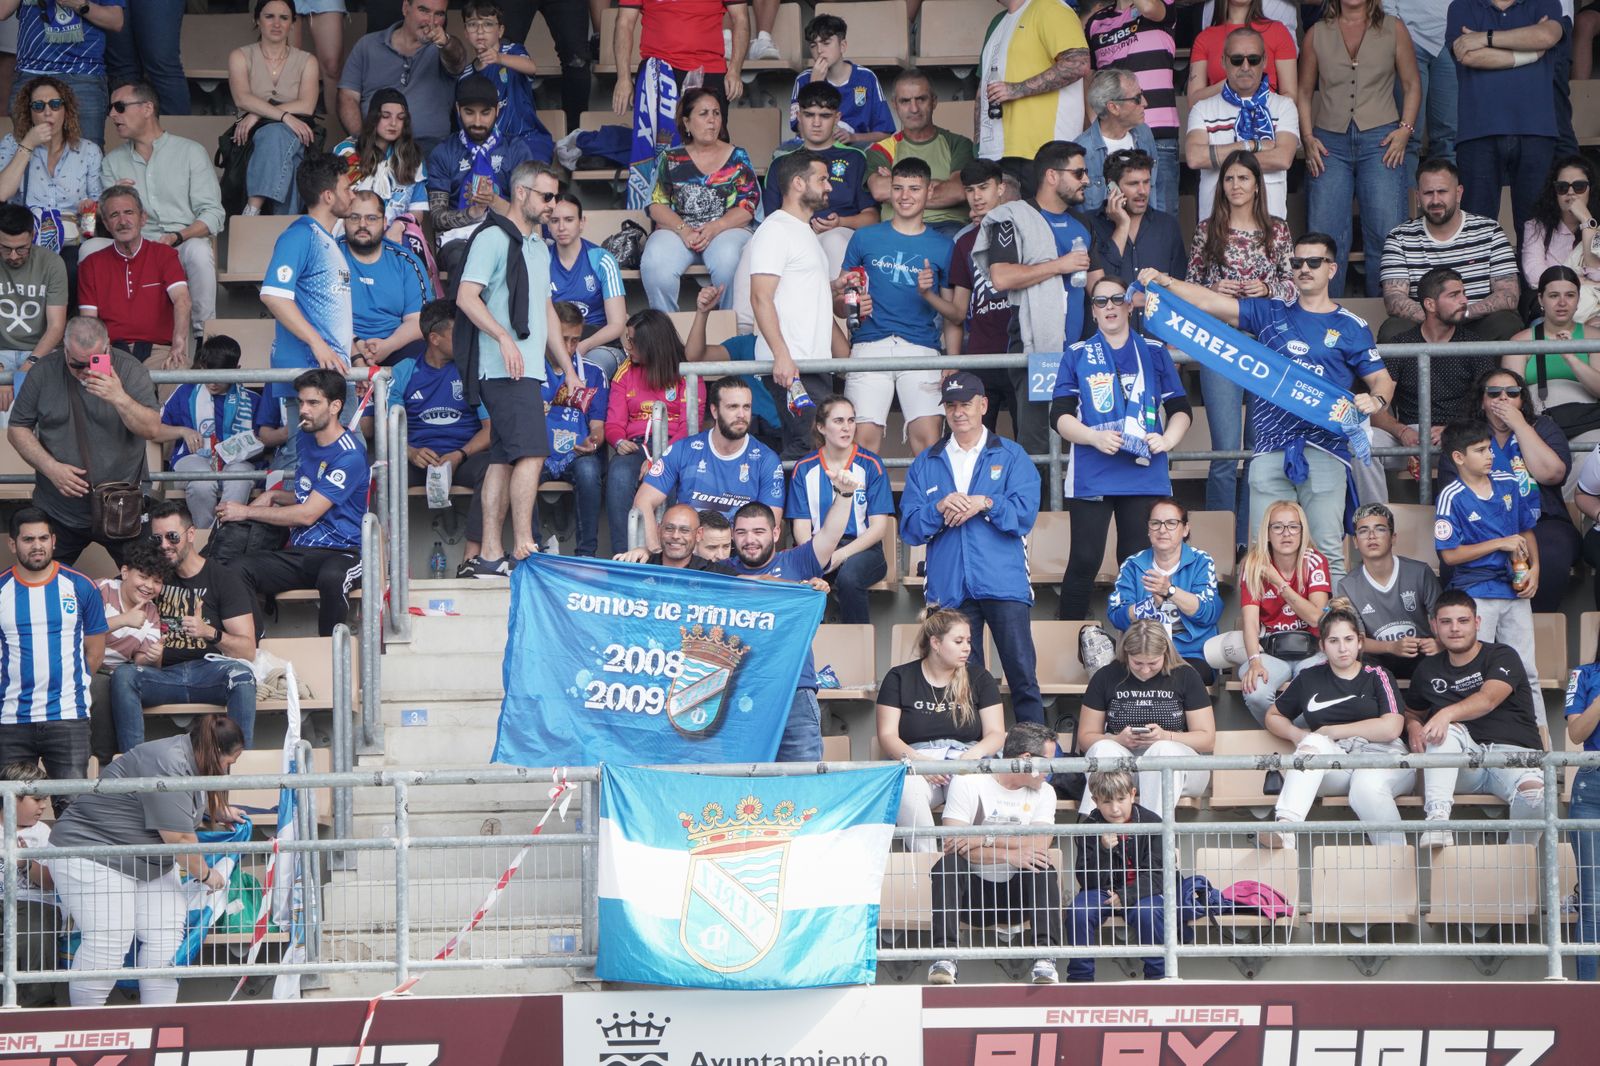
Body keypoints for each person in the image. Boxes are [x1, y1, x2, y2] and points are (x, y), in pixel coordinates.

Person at [1139, 237, 1393, 580]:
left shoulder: (1351, 325)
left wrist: (1374, 400)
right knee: (1261, 554)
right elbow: (1213, 303)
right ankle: (1258, 633)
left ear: (1332, 269)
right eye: (1297, 263)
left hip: (1326, 448)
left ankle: (1332, 633)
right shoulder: (1270, 312)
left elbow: (1383, 381)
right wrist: (1167, 282)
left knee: (1327, 551)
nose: (1304, 269)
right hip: (1271, 446)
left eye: (1314, 263)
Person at [47, 716, 242, 1007]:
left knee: (165, 939)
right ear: (215, 752)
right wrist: (207, 875)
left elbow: (169, 807)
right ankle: (84, 1028)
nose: (228, 768)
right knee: (109, 942)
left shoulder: (190, 754)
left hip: (146, 858)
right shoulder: (167, 761)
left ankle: (158, 1024)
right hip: (92, 851)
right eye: (230, 760)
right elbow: (179, 840)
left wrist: (213, 811)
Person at [453, 160, 576, 575]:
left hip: (529, 369)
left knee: (504, 459)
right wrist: (503, 336)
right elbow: (467, 298)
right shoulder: (490, 237)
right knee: (533, 453)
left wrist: (568, 367)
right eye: (546, 196)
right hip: (503, 368)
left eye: (556, 197)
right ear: (521, 193)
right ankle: (525, 545)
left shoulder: (539, 246)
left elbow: (545, 311)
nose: (552, 206)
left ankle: (489, 555)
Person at [901, 372, 1043, 725]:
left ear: (983, 405)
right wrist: (938, 509)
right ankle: (975, 754)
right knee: (964, 680)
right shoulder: (926, 462)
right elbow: (909, 528)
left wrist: (986, 503)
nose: (958, 412)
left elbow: (1024, 515)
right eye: (951, 405)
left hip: (1004, 581)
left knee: (1022, 673)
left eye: (965, 404)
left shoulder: (1012, 455)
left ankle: (1039, 755)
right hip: (950, 586)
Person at [1049, 275, 1188, 619]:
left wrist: (1167, 440)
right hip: (1093, 473)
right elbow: (1059, 416)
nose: (1109, 306)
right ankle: (1069, 640)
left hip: (1144, 472)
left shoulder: (1155, 352)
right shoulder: (1077, 354)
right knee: (1084, 559)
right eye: (1100, 302)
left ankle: (1141, 644)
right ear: (1092, 312)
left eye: (1116, 299)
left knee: (1137, 560)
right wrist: (1093, 437)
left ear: (1129, 306)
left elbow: (1182, 410)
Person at [1184, 149, 1293, 552]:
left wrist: (1268, 289)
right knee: (1226, 452)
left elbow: (1294, 287)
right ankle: (1216, 548)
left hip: (1267, 345)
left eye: (1243, 179)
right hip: (1220, 345)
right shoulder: (1207, 228)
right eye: (1229, 179)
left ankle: (1251, 545)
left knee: (1259, 454)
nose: (1235, 186)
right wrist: (1213, 291)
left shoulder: (1277, 229)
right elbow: (1188, 285)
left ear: (1256, 184)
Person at [224, 369, 370, 637]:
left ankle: (331, 656)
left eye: (313, 403)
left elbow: (307, 514)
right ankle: (256, 646)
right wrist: (276, 496)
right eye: (301, 402)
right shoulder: (305, 436)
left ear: (335, 406)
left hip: (344, 552)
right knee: (236, 569)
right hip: (303, 551)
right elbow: (309, 495)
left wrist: (246, 511)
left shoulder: (350, 456)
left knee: (332, 578)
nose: (303, 410)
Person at [1260, 599, 1414, 848]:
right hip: (1337, 762)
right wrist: (1300, 736)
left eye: (1349, 640)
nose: (1342, 648)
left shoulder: (1377, 674)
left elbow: (1391, 728)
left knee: (1366, 787)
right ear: (1322, 645)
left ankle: (1394, 859)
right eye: (1334, 641)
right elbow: (1273, 716)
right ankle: (1286, 827)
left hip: (1384, 758)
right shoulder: (1309, 677)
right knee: (1312, 744)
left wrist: (1332, 731)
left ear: (1360, 642)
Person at [977, 139, 1094, 462]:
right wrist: (1060, 265)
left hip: (1079, 349)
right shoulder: (1011, 216)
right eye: (1079, 172)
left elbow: (1096, 285)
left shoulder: (1082, 222)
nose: (1086, 179)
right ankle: (1040, 514)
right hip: (1034, 347)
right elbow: (1001, 277)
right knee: (1037, 442)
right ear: (1052, 176)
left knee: (1081, 442)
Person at [6, 315, 157, 566]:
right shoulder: (44, 372)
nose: (86, 370)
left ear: (107, 347)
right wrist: (51, 468)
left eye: (94, 361)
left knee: (147, 583)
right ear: (64, 350)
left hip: (122, 506)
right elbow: (17, 428)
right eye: (77, 364)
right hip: (59, 508)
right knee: (42, 584)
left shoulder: (130, 370)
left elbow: (152, 429)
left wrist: (119, 397)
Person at [1404, 589, 1546, 848]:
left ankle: (1515, 861)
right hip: (1463, 764)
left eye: (1463, 621)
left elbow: (1489, 698)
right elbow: (1413, 711)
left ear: (1477, 623)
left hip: (1511, 757)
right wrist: (1413, 725)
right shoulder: (1427, 669)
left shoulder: (1502, 655)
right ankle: (1437, 822)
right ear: (1435, 626)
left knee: (1536, 796)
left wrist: (1446, 713)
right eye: (1446, 622)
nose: (1455, 628)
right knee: (1445, 730)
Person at [724, 479, 854, 760]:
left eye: (759, 531)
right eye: (742, 532)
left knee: (802, 781)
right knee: (742, 784)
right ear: (732, 535)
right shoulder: (720, 571)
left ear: (775, 531)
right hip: (740, 688)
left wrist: (845, 494)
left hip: (795, 688)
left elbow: (830, 535)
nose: (750, 540)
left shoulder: (797, 562)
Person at [1298, 0, 1420, 299]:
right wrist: (1307, 137)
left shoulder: (1394, 28)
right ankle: (1324, 318)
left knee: (1386, 234)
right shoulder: (1316, 33)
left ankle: (1387, 321)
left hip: (1381, 140)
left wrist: (1405, 130)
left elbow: (1412, 83)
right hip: (1329, 143)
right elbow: (1302, 91)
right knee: (1325, 240)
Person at [841, 157, 960, 457]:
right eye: (898, 188)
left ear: (929, 191)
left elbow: (953, 315)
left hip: (921, 346)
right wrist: (854, 305)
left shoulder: (944, 246)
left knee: (929, 440)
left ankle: (929, 505)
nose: (905, 196)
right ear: (889, 191)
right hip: (869, 344)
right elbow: (841, 303)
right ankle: (863, 506)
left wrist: (952, 362)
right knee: (862, 442)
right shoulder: (864, 237)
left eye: (914, 188)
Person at [927, 721, 1061, 987]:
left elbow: (1038, 844)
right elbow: (953, 842)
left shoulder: (1046, 792)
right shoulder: (970, 782)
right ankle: (945, 958)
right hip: (972, 899)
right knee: (949, 865)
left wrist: (981, 839)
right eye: (1048, 761)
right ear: (1025, 760)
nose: (1052, 769)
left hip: (1017, 899)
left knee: (1042, 866)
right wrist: (1010, 853)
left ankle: (1045, 959)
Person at [122, 499, 259, 756]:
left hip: (210, 671)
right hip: (162, 673)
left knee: (242, 676)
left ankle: (241, 767)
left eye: (172, 536)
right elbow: (116, 589)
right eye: (156, 539)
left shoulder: (223, 578)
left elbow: (248, 650)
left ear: (191, 534)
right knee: (123, 677)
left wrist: (209, 632)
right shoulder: (150, 577)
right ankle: (132, 768)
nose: (164, 545)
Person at [1441, 367, 1578, 613]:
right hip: (1480, 524)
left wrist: (1520, 426)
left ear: (1521, 399)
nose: (1503, 398)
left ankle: (1539, 623)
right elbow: (1454, 490)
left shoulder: (1543, 427)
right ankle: (1473, 629)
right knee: (1460, 562)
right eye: (1494, 393)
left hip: (1542, 520)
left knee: (1552, 553)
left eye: (1512, 393)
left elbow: (1552, 474)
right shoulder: (1465, 435)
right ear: (1482, 402)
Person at [96, 80, 222, 337]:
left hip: (180, 241)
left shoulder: (190, 152)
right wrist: (114, 198)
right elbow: (106, 218)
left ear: (147, 108)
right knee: (89, 249)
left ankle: (204, 339)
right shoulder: (112, 162)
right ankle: (95, 337)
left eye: (120, 107)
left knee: (199, 251)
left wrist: (179, 236)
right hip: (131, 244)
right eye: (111, 109)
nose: (112, 115)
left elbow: (213, 213)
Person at [876, 607, 1006, 852]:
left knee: (973, 783)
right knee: (907, 790)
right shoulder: (899, 677)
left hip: (965, 758)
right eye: (958, 641)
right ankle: (932, 867)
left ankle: (968, 865)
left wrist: (973, 756)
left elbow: (996, 733)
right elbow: (887, 735)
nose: (967, 647)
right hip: (918, 760)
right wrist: (919, 762)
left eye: (968, 640)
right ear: (935, 642)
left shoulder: (979, 677)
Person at [1365, 267, 1496, 505]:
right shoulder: (1401, 345)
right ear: (1430, 304)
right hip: (1411, 434)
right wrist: (1403, 432)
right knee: (1363, 443)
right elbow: (1377, 408)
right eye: (1454, 295)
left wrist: (1453, 428)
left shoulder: (1475, 345)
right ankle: (1375, 522)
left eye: (1464, 293)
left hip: (1462, 435)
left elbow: (1489, 407)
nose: (1464, 300)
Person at [0, 506, 106, 794]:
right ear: (13, 544)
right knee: (11, 812)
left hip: (68, 717)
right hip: (11, 719)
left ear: (54, 541)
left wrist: (72, 689)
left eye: (43, 538)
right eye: (28, 539)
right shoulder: (1, 590)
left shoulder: (81, 586)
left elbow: (95, 652)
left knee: (72, 807)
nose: (37, 546)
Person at [1065, 768, 1201, 983]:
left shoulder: (1153, 822)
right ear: (1095, 800)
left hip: (1144, 891)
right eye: (1107, 802)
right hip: (1103, 891)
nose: (1115, 809)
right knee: (1079, 911)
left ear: (1132, 794)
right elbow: (1087, 881)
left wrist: (1126, 895)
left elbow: (1160, 876)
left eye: (1121, 799)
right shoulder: (1089, 827)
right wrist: (1103, 850)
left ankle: (1158, 977)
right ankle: (1080, 979)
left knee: (1149, 912)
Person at [610, 0, 748, 211]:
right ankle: (658, 216)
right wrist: (623, 78)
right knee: (657, 152)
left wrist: (735, 70)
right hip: (658, 71)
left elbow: (740, 18)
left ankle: (712, 215)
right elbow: (624, 23)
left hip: (709, 68)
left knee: (712, 144)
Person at [261, 153, 354, 465]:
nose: (352, 194)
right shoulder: (300, 235)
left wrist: (350, 359)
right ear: (328, 196)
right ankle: (269, 512)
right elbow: (273, 296)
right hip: (308, 372)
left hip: (331, 372)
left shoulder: (328, 241)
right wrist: (318, 344)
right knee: (300, 462)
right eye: (347, 188)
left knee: (330, 463)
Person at [1433, 418, 1541, 686]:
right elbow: (1449, 555)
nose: (1490, 456)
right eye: (1480, 450)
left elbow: (1526, 529)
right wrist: (1499, 543)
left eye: (1489, 448)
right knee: (1477, 671)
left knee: (1526, 669)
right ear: (1459, 457)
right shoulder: (1451, 496)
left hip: (1515, 587)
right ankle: (1480, 729)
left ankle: (1537, 728)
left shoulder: (1508, 482)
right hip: (1476, 591)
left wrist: (1535, 568)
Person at [1203, 499, 1332, 723]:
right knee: (1256, 692)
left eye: (1293, 526)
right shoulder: (1253, 565)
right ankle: (1293, 737)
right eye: (1278, 527)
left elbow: (1316, 618)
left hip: (1312, 649)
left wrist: (1278, 583)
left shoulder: (1315, 560)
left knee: (1320, 695)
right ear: (1267, 532)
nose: (1286, 533)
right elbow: (1250, 622)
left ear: (1302, 531)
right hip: (1271, 650)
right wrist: (1254, 660)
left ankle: (1292, 739)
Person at [389, 301, 493, 569]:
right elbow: (386, 429)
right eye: (457, 334)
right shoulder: (404, 371)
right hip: (418, 459)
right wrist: (409, 452)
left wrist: (459, 455)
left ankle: (471, 559)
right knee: (384, 474)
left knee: (495, 468)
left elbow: (489, 429)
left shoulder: (470, 369)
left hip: (463, 456)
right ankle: (393, 565)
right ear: (434, 339)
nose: (464, 340)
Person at [1447, 0, 1564, 237]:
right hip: (1478, 131)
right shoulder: (1461, 6)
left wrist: (1484, 38)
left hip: (1535, 130)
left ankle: (1532, 277)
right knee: (1477, 231)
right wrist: (1531, 53)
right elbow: (1469, 56)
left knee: (1537, 231)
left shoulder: (1545, 2)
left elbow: (1547, 36)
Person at [1077, 621, 1215, 817]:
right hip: (1127, 766)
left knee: (1162, 750)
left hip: (1179, 768)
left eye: (1152, 663)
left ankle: (1153, 837)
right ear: (1126, 653)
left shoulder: (1185, 675)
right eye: (1137, 663)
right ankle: (1093, 832)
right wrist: (1117, 740)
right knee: (1103, 748)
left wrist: (1166, 736)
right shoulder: (1107, 676)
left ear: (1165, 653)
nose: (1145, 670)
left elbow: (1207, 739)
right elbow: (1085, 737)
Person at [748, 148, 836, 449]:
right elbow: (760, 297)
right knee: (807, 449)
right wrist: (782, 355)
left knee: (811, 450)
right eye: (822, 179)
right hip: (793, 364)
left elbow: (798, 290)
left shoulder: (802, 230)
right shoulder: (775, 230)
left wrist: (835, 287)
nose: (829, 186)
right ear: (799, 183)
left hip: (808, 361)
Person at [1378, 159, 1522, 342]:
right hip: (1426, 325)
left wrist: (1464, 313)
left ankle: (1497, 373)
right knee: (1393, 329)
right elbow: (1394, 299)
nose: (1436, 200)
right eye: (1428, 193)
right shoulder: (1399, 237)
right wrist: (1440, 318)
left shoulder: (1490, 231)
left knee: (1506, 323)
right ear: (1417, 197)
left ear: (1458, 193)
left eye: (1442, 192)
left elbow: (1509, 295)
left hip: (1475, 321)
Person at [641, 88, 757, 313]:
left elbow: (748, 204)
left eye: (716, 113)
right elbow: (656, 204)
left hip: (726, 229)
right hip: (679, 230)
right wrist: (683, 230)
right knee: (655, 261)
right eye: (703, 114)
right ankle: (665, 336)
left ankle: (729, 331)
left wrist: (716, 227)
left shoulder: (738, 157)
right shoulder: (671, 158)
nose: (712, 121)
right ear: (686, 122)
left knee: (729, 260)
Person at [635, 378, 783, 550]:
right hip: (689, 552)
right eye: (732, 407)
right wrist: (655, 552)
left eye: (746, 407)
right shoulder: (684, 449)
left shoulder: (766, 459)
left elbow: (769, 525)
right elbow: (643, 501)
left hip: (738, 554)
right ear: (714, 410)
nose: (741, 415)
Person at [426, 75, 542, 283]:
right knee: (464, 260)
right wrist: (472, 212)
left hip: (507, 235)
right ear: (458, 109)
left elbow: (529, 215)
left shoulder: (516, 150)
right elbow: (437, 217)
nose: (478, 122)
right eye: (469, 112)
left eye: (485, 113)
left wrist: (492, 201)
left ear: (497, 110)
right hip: (458, 240)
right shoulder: (443, 152)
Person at [789, 395, 892, 624]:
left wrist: (840, 555)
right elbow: (801, 527)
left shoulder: (871, 464)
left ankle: (856, 649)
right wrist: (814, 560)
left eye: (851, 420)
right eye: (838, 421)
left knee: (849, 577)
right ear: (821, 427)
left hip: (862, 550)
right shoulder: (804, 468)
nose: (847, 428)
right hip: (816, 548)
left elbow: (878, 528)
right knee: (797, 578)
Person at [604, 309, 697, 556]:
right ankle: (625, 556)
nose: (628, 346)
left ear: (652, 344)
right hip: (636, 445)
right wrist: (618, 440)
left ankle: (669, 556)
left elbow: (688, 426)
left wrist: (659, 458)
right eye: (627, 339)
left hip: (677, 447)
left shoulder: (685, 374)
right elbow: (614, 422)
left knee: (677, 480)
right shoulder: (626, 371)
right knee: (619, 474)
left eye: (633, 342)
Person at [1184, 26, 1301, 220]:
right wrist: (1253, 146)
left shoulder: (1284, 106)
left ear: (1264, 61)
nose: (1245, 67)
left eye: (1253, 59)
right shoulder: (1202, 109)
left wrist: (1220, 157)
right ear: (1223, 61)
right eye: (1237, 60)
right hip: (1216, 227)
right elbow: (1195, 157)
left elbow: (1282, 159)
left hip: (1269, 225)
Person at [762, 83, 877, 276]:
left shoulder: (856, 158)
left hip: (841, 233)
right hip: (791, 237)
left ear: (837, 118)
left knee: (834, 241)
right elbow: (770, 220)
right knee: (752, 248)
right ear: (799, 117)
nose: (816, 123)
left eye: (824, 116)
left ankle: (842, 305)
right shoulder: (781, 162)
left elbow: (873, 218)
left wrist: (841, 222)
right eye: (809, 115)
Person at [157, 335, 269, 528]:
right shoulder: (186, 391)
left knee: (238, 478)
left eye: (221, 376)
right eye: (209, 373)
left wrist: (249, 444)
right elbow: (156, 429)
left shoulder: (252, 399)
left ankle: (224, 536)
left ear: (237, 371)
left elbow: (265, 439)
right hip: (193, 459)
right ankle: (205, 537)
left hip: (238, 463)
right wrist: (183, 431)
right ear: (202, 367)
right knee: (203, 480)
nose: (213, 383)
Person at [1107, 498, 1224, 680]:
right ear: (1148, 529)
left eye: (1171, 523)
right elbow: (1117, 616)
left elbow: (1209, 613)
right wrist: (1149, 605)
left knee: (1177, 677)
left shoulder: (1201, 561)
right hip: (1142, 654)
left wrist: (1169, 590)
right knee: (1107, 677)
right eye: (1155, 523)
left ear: (1185, 529)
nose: (1162, 530)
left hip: (1190, 654)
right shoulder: (1133, 565)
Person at [1082, 0, 1179, 217]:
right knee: (1105, 215)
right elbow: (1091, 79)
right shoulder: (1096, 22)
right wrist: (1095, 128)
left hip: (1158, 131)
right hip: (1110, 137)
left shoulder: (1163, 4)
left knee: (1160, 216)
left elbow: (1147, 8)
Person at [77, 184, 190, 367]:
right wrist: (98, 359)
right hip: (111, 351)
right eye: (114, 215)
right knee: (94, 380)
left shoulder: (164, 254)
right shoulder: (91, 264)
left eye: (129, 212)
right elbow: (89, 321)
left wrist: (179, 343)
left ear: (143, 218)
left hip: (159, 350)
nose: (123, 221)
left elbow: (182, 300)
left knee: (178, 370)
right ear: (106, 224)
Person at [226, 0, 320, 217]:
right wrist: (285, 116)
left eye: (284, 18)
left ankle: (253, 209)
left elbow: (307, 105)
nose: (276, 23)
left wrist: (258, 113)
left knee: (278, 133)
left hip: (299, 131)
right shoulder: (240, 55)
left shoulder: (307, 61)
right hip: (251, 135)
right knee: (283, 146)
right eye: (269, 16)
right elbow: (242, 98)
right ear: (257, 20)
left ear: (293, 24)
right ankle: (282, 224)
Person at [0, 76, 101, 275]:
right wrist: (28, 143)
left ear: (66, 109)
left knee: (72, 267)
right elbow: (2, 193)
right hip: (26, 237)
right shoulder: (13, 144)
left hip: (72, 239)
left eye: (55, 104)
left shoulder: (88, 150)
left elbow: (98, 205)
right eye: (38, 106)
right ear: (29, 112)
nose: (48, 112)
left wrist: (90, 205)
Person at [337, 0, 467, 152]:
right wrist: (362, 140)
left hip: (429, 147)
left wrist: (446, 43)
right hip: (376, 145)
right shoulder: (367, 45)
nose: (431, 21)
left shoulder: (444, 49)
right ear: (406, 8)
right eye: (424, 10)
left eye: (439, 14)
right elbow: (347, 97)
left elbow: (457, 62)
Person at [976, 0, 1091, 162]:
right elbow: (983, 88)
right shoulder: (998, 22)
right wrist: (979, 144)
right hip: (994, 153)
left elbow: (1079, 63)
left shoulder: (1050, 7)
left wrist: (1016, 89)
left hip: (1042, 152)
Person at [1337, 502, 1441, 679]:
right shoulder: (1347, 585)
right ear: (1355, 541)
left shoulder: (1420, 572)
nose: (1371, 536)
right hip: (1379, 656)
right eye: (1363, 531)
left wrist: (1439, 643)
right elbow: (1354, 639)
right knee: (1359, 662)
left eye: (1380, 529)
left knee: (1439, 662)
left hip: (1420, 654)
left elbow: (1443, 619)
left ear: (1393, 537)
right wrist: (1391, 647)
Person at [0, 0, 123, 148]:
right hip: (30, 73)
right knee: (27, 157)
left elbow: (116, 20)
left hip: (83, 73)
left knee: (87, 155)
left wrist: (81, 5)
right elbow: (2, 11)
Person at [949, 159, 1019, 418]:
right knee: (973, 442)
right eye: (969, 190)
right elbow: (957, 311)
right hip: (980, 354)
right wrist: (927, 295)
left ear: (1000, 189)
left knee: (1030, 440)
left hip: (1019, 351)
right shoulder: (964, 242)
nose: (976, 197)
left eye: (983, 187)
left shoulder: (1024, 230)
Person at [538, 302, 608, 558]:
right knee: (522, 470)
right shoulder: (529, 370)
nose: (569, 347)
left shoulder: (593, 372)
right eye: (563, 339)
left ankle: (586, 555)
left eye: (575, 340)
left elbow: (598, 426)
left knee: (590, 470)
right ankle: (531, 549)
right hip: (539, 454)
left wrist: (594, 441)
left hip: (577, 455)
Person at [866, 71, 975, 237]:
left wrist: (898, 188)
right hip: (897, 228)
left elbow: (958, 191)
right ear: (895, 105)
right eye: (905, 101)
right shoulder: (881, 149)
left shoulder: (958, 144)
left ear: (934, 101)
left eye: (921, 99)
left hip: (947, 227)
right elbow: (879, 190)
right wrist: (937, 184)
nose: (914, 108)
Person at [460, 0, 579, 141]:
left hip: (526, 138)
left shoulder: (513, 51)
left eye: (488, 24)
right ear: (466, 33)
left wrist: (499, 58)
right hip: (490, 145)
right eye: (473, 24)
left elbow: (530, 67)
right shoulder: (466, 75)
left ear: (501, 31)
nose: (480, 31)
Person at [1505, 266, 1600, 435]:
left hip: (1588, 424)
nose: (1562, 303)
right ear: (1541, 299)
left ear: (1578, 299)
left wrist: (1571, 358)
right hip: (1536, 426)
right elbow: (1509, 399)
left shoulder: (1595, 338)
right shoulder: (1520, 342)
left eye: (1570, 295)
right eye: (1554, 296)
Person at [342, 190, 428, 366]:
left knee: (426, 353)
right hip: (341, 345)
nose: (362, 224)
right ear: (344, 221)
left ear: (384, 222)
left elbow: (418, 320)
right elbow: (318, 316)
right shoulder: (329, 255)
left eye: (371, 218)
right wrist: (356, 348)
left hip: (395, 345)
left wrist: (388, 346)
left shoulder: (405, 261)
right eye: (354, 217)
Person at [333, 88, 429, 243]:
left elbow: (417, 210)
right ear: (373, 118)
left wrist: (399, 226)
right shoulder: (347, 151)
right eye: (385, 116)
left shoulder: (413, 158)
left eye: (400, 118)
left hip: (395, 236)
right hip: (351, 235)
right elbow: (332, 204)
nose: (393, 123)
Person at [547, 194, 626, 378]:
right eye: (554, 220)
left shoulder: (602, 260)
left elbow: (617, 324)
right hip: (554, 342)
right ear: (548, 225)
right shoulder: (542, 260)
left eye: (569, 220)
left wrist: (584, 345)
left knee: (590, 369)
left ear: (581, 222)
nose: (561, 227)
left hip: (599, 344)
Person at [0, 202, 66, 420]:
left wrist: (30, 365)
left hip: (40, 352)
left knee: (47, 413)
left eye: (21, 248)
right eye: (5, 248)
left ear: (33, 235)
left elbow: (56, 326)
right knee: (4, 416)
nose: (13, 256)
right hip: (1, 352)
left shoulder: (51, 263)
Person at [1084, 148, 1185, 288]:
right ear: (1112, 186)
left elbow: (1179, 286)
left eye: (1146, 182)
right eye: (1133, 184)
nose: (1142, 191)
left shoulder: (1167, 226)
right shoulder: (1089, 224)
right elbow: (1100, 287)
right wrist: (1122, 226)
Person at [0, 762, 58, 1008]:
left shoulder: (43, 832)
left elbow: (51, 882)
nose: (44, 805)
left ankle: (38, 1010)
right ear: (12, 798)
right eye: (37, 799)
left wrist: (25, 864)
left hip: (32, 901)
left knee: (35, 937)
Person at [787, 14, 893, 147]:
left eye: (826, 43)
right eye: (813, 45)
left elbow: (885, 133)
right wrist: (814, 86)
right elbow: (802, 132)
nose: (819, 51)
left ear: (842, 46)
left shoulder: (866, 78)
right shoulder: (803, 80)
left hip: (855, 150)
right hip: (816, 151)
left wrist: (853, 137)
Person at [1563, 635, 1600, 980]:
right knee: (1594, 902)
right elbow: (1576, 733)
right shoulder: (1584, 674)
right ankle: (1588, 997)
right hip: (1594, 786)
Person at [1388, 0, 1456, 179]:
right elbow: (1385, 5)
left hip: (1449, 42)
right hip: (1409, 38)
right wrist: (1396, 32)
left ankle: (1442, 204)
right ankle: (1405, 206)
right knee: (1408, 136)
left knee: (1447, 137)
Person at [1080, 70, 1161, 215]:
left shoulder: (1144, 133)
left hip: (1144, 232)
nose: (1145, 103)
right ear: (1113, 108)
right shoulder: (1083, 150)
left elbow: (1155, 191)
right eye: (1137, 98)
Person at [1188, 0, 1299, 107]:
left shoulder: (1278, 31)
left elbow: (1291, 96)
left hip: (1266, 120)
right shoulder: (1205, 38)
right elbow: (1193, 101)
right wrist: (1230, 84)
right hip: (1219, 122)